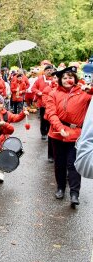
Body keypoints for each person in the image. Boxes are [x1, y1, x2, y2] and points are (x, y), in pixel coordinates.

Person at [45, 66, 93, 208]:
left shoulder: (83, 93)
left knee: (73, 164)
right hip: (57, 133)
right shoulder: (53, 93)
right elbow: (50, 113)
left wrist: (90, 89)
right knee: (59, 163)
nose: (68, 80)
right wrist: (60, 128)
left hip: (76, 135)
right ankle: (60, 188)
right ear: (60, 80)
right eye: (65, 78)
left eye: (71, 77)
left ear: (75, 79)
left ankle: (74, 193)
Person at [32, 65, 54, 140]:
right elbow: (33, 88)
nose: (49, 71)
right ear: (44, 71)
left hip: (53, 103)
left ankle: (50, 132)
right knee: (43, 119)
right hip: (42, 103)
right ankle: (43, 133)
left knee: (51, 118)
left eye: (51, 70)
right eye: (48, 70)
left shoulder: (55, 79)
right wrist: (39, 92)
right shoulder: (39, 79)